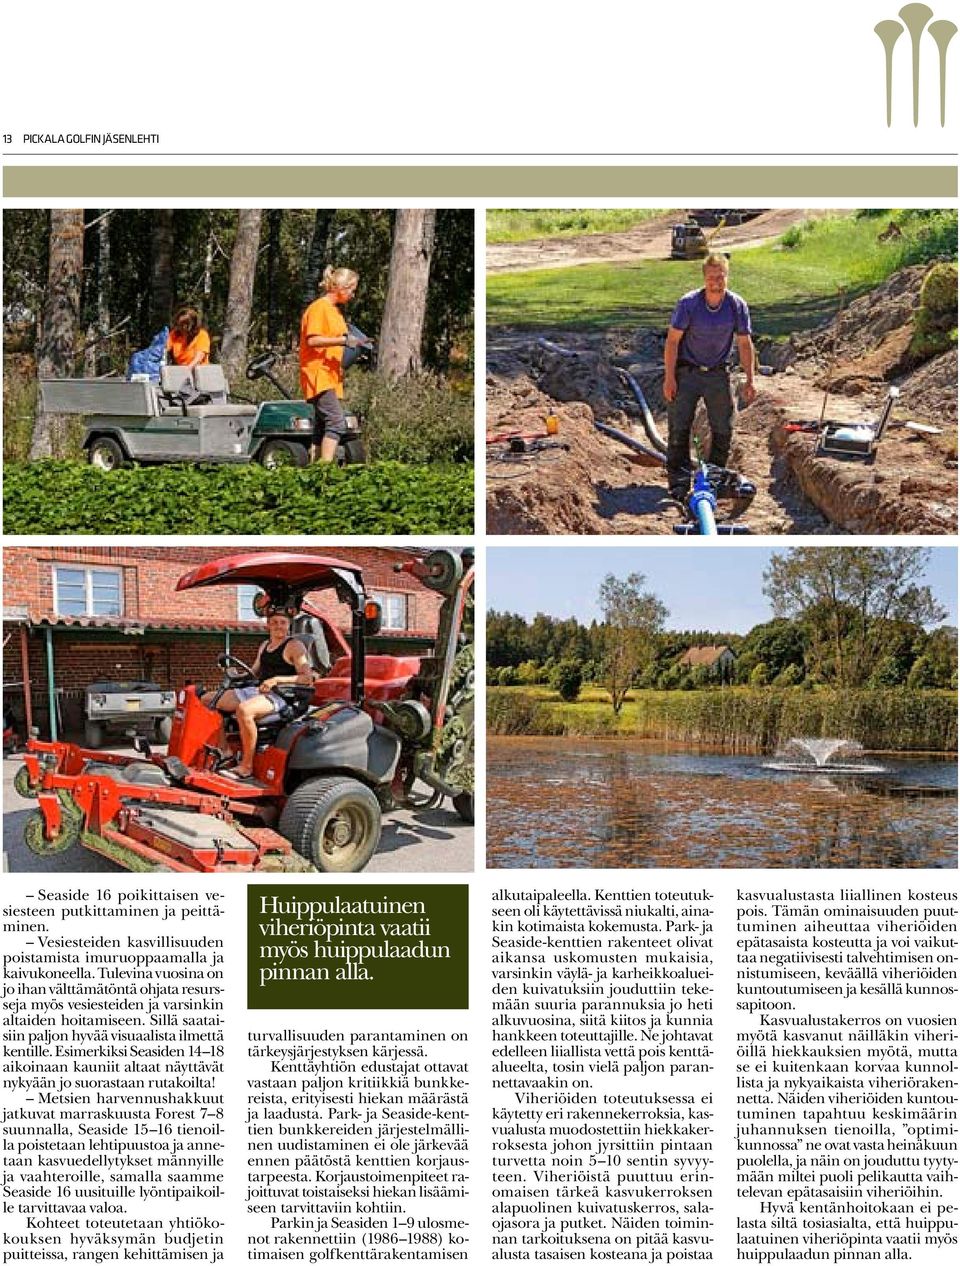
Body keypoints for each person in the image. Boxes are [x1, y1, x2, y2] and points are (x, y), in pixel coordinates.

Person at [662, 254, 757, 502]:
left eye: (721, 276)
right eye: (711, 277)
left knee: (723, 428)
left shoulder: (736, 305)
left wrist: (750, 378)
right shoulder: (689, 304)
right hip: (687, 372)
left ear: (728, 276)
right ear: (704, 278)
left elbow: (745, 344)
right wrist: (669, 378)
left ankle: (713, 478)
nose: (716, 282)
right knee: (679, 427)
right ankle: (679, 483)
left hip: (718, 373)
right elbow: (672, 341)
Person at [206, 609, 315, 780]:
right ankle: (225, 750)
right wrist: (236, 674)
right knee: (208, 700)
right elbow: (254, 672)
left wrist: (276, 680)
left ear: (289, 625)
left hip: (281, 696)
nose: (279, 626)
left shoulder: (295, 646)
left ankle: (246, 766)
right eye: (275, 622)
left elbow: (307, 678)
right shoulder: (265, 645)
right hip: (258, 689)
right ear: (268, 625)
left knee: (245, 710)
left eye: (283, 622)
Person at [299, 266, 368, 462]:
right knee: (336, 422)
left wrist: (355, 348)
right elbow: (313, 340)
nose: (353, 295)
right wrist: (343, 341)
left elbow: (337, 338)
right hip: (318, 374)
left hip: (331, 374)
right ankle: (325, 469)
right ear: (340, 287)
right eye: (352, 290)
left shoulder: (335, 311)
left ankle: (315, 468)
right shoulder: (319, 308)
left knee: (322, 425)